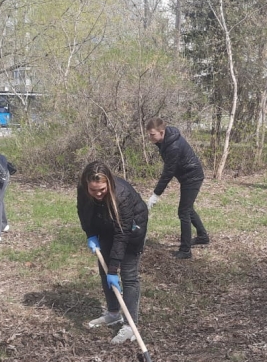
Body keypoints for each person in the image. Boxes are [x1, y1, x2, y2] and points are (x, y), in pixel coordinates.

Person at [77, 161, 148, 344]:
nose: (99, 194)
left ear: (108, 182)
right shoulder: (83, 188)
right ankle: (113, 313)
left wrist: (114, 269)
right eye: (94, 190)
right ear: (86, 185)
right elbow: (83, 212)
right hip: (105, 225)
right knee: (104, 269)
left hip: (131, 229)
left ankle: (130, 326)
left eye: (102, 189)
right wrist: (90, 234)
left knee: (128, 274)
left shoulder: (121, 195)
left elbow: (122, 234)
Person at [145, 118, 209, 259]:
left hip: (192, 177)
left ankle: (185, 250)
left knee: (183, 212)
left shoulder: (173, 146)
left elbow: (168, 173)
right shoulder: (164, 139)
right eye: (149, 134)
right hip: (187, 176)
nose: (149, 137)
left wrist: (156, 195)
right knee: (188, 208)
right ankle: (203, 236)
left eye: (152, 134)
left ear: (161, 132)